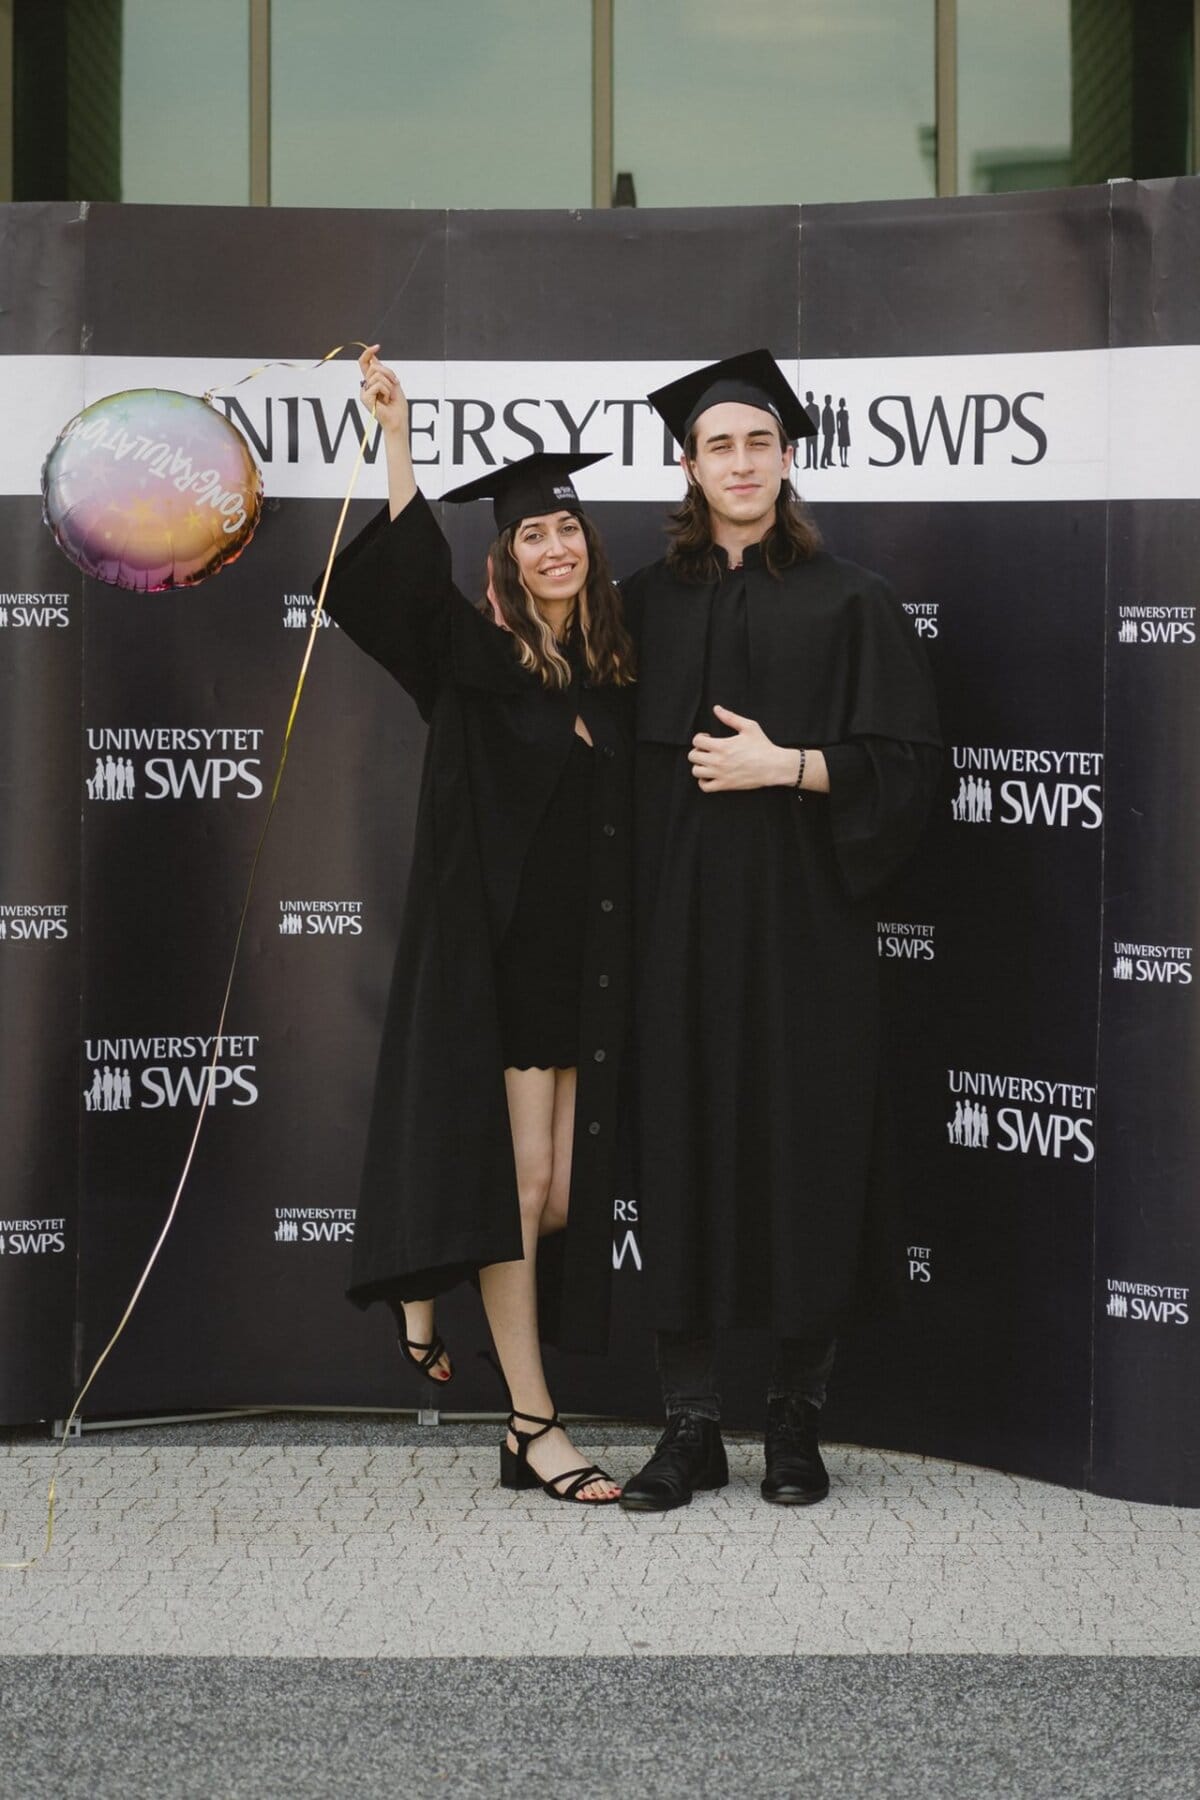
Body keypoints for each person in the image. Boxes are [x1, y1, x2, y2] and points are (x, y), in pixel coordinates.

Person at [617, 350, 941, 1513]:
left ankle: (796, 1425)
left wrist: (787, 765)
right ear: (691, 466)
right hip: (677, 940)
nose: (741, 462)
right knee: (683, 1154)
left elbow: (911, 774)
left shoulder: (855, 600)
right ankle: (692, 1424)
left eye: (759, 442)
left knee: (808, 1159)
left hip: (809, 937)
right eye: (719, 445)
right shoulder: (642, 605)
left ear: (789, 457)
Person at [317, 347, 637, 1505]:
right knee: (519, 1196)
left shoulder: (611, 674)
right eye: (532, 536)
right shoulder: (472, 662)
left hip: (576, 972)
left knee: (550, 1200)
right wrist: (398, 442)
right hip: (494, 970)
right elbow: (401, 591)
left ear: (588, 547)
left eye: (569, 531)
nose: (555, 547)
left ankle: (425, 1285)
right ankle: (532, 1424)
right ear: (507, 558)